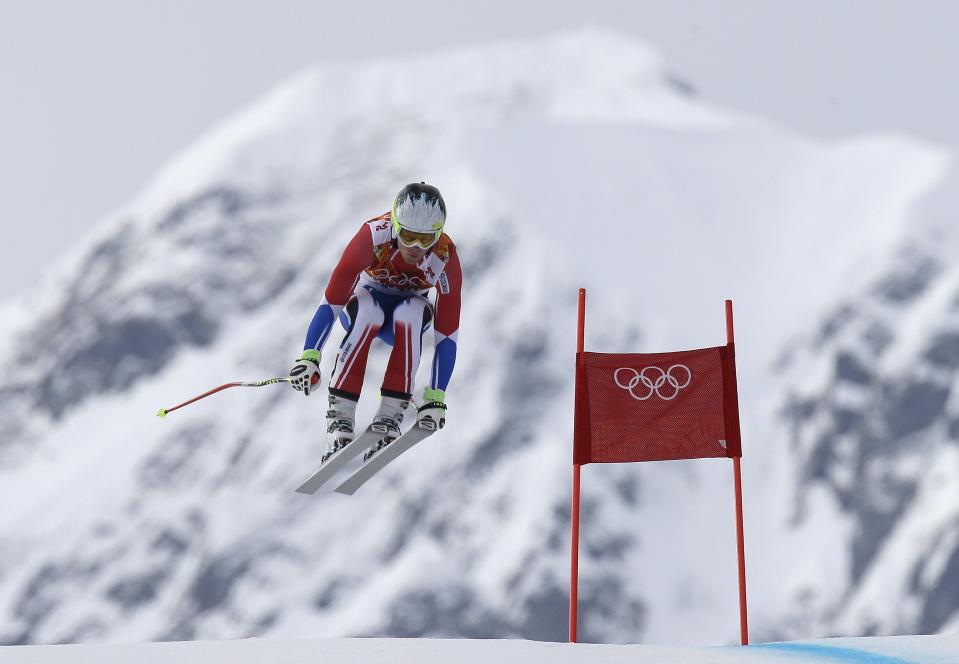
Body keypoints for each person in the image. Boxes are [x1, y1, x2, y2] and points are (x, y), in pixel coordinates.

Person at [289, 183, 461, 461]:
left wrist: (436, 396)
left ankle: (390, 416)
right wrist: (309, 356)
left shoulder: (444, 256)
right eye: (408, 235)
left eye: (426, 239)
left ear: (438, 234)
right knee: (369, 310)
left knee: (412, 311)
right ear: (395, 225)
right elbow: (331, 301)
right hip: (365, 304)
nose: (415, 247)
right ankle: (340, 420)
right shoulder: (373, 236)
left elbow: (448, 333)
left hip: (406, 318)